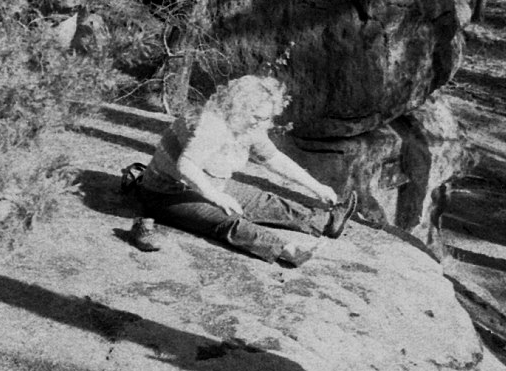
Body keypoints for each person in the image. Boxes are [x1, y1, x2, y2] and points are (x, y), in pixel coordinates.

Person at [123, 75, 357, 266]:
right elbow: (187, 165)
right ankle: (287, 250)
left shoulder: (249, 125)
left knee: (263, 201)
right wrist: (216, 196)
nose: (262, 122)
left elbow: (274, 159)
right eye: (258, 116)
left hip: (209, 183)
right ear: (240, 107)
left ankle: (326, 221)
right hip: (166, 193)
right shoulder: (211, 123)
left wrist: (317, 187)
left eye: (267, 117)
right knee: (228, 220)